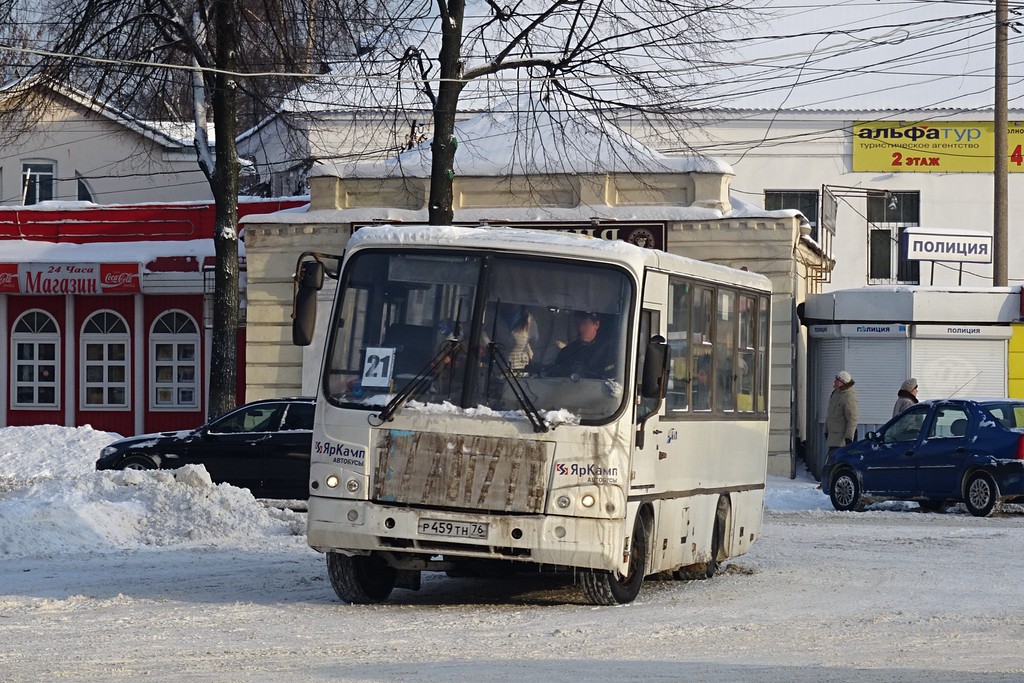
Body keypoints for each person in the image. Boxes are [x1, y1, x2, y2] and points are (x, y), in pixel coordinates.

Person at [550, 311, 615, 379]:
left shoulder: (609, 351)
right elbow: (556, 378)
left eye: (585, 323)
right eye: (577, 323)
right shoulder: (567, 352)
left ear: (596, 325)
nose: (580, 328)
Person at [825, 370, 858, 452]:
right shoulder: (835, 394)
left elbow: (852, 419)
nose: (834, 381)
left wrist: (849, 438)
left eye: (837, 380)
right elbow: (830, 414)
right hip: (832, 439)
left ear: (843, 382)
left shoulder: (849, 397)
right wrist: (825, 430)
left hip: (841, 442)